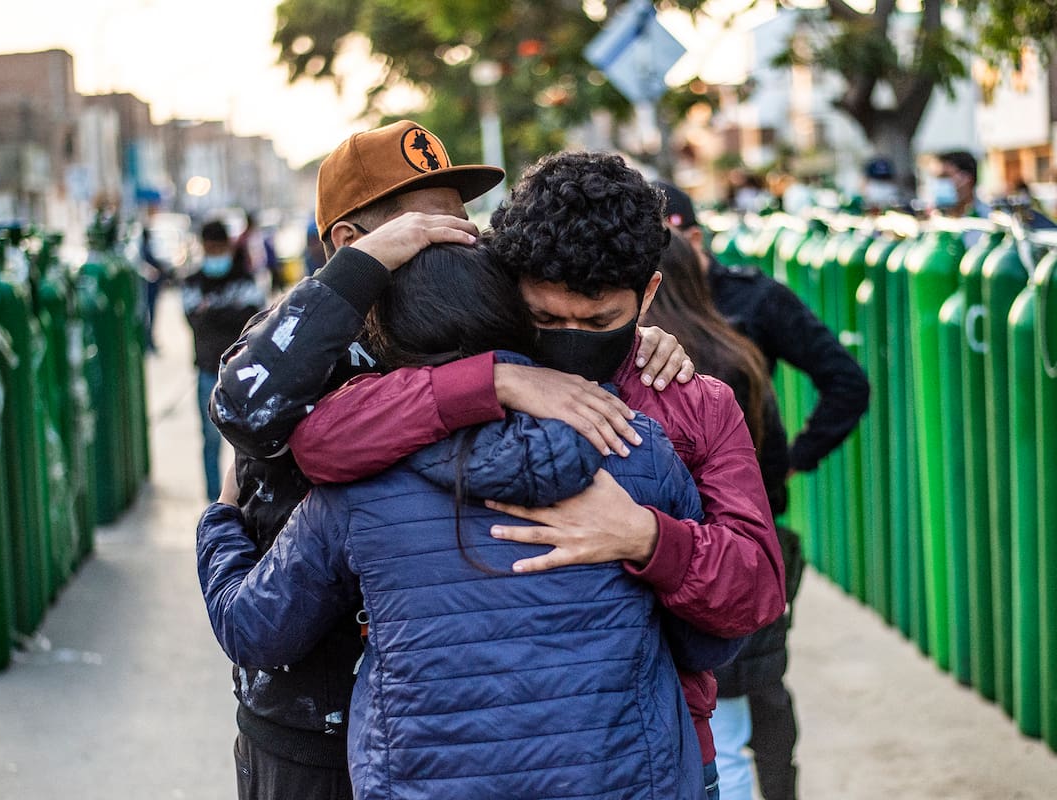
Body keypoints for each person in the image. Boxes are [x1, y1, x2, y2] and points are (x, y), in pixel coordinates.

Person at [205, 120, 697, 800]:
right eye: (423, 229)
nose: (462, 240)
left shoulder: (482, 318)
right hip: (309, 726)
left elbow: (578, 323)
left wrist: (642, 340)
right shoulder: (302, 336)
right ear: (354, 246)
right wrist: (477, 378)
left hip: (431, 736)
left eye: (462, 223)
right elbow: (245, 408)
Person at [285, 151, 788, 799]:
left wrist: (647, 539)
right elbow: (322, 440)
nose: (572, 339)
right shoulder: (457, 365)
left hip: (655, 759)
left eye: (600, 321)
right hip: (471, 763)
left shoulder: (692, 402)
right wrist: (488, 380)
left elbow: (756, 589)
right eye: (547, 320)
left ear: (649, 294)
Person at [656, 181, 870, 800]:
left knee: (753, 697)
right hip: (680, 540)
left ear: (694, 239)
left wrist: (791, 462)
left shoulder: (749, 307)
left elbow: (845, 382)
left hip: (744, 529)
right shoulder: (628, 330)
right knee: (724, 710)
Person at [183, 220, 266, 501]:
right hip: (208, 370)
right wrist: (230, 312)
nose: (216, 253)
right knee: (209, 439)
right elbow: (195, 321)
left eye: (220, 248)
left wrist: (213, 312)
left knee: (245, 441)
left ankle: (246, 498)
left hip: (242, 372)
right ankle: (214, 501)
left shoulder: (244, 277)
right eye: (211, 248)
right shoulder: (193, 280)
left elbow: (254, 317)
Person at [139, 202, 174, 352]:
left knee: (151, 314)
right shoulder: (144, 249)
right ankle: (148, 342)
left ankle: (150, 341)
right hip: (148, 287)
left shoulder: (148, 247)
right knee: (148, 314)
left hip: (152, 286)